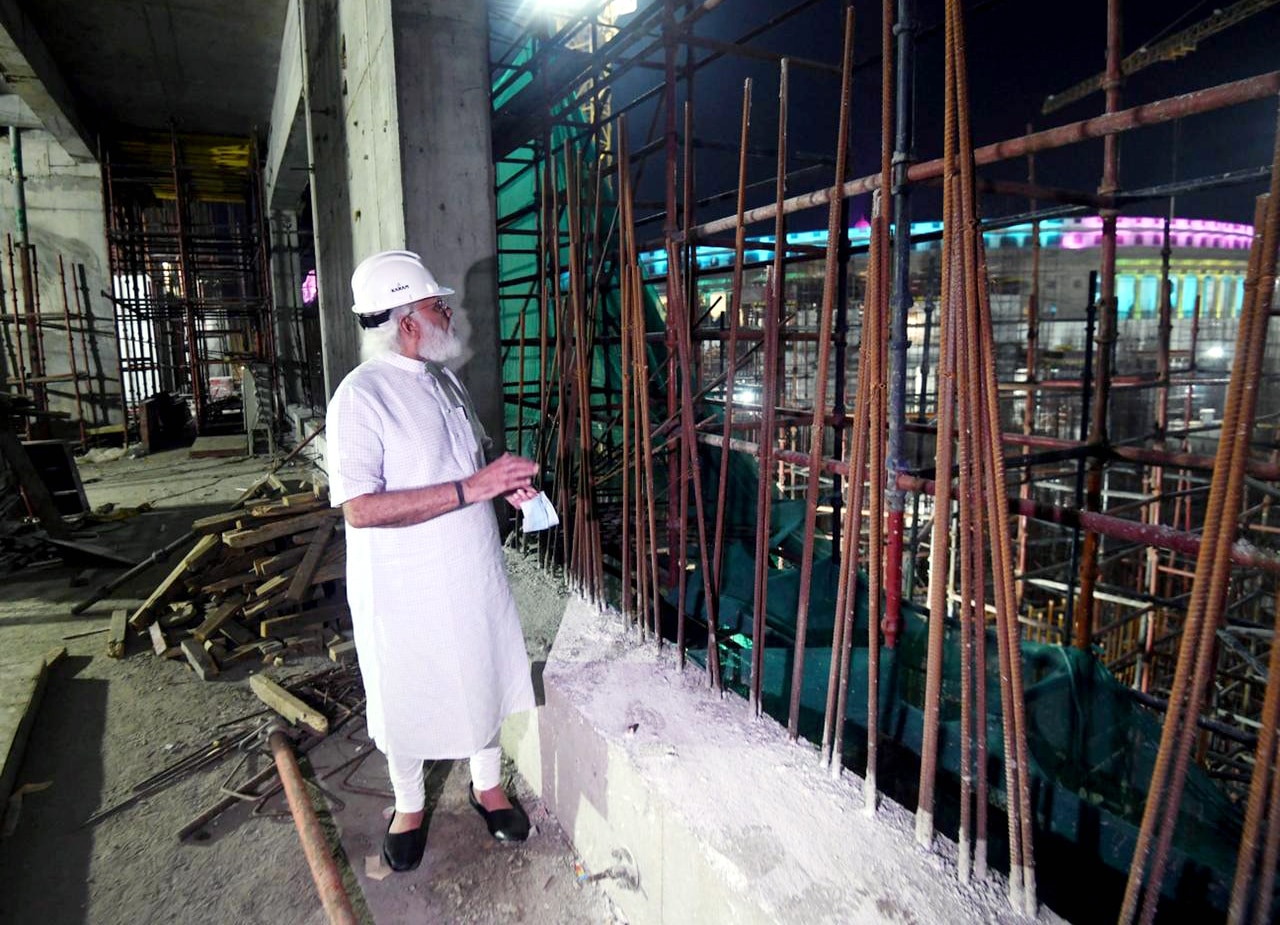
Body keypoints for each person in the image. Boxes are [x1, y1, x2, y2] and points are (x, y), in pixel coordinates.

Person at [325, 249, 540, 873]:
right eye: (435, 305)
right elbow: (360, 508)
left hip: (467, 564)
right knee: (407, 686)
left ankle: (486, 786)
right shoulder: (360, 398)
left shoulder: (443, 379)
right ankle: (410, 804)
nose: (448, 313)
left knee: (477, 667)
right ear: (404, 320)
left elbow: (462, 465)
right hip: (404, 583)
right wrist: (474, 489)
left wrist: (499, 483)